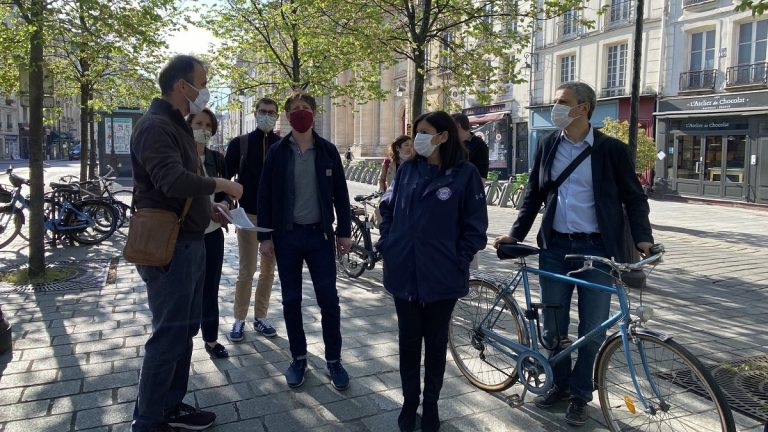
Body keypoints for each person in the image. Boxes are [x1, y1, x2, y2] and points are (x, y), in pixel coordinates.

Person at [494, 81, 653, 427]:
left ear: (584, 107)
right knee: (553, 327)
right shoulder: (549, 143)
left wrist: (643, 239)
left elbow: (634, 198)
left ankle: (581, 394)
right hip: (556, 247)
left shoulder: (611, 149)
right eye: (556, 102)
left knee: (593, 330)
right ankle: (560, 384)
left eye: (562, 102)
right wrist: (515, 234)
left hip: (597, 250)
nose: (556, 108)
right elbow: (533, 194)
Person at [130, 55, 242, 432]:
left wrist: (208, 211)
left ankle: (169, 406)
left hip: (189, 241)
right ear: (182, 85)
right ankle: (148, 421)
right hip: (171, 246)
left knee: (183, 331)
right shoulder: (156, 125)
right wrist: (221, 185)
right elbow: (171, 181)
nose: (205, 89)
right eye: (202, 81)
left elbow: (181, 189)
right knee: (169, 334)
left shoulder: (173, 124)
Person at [377, 111, 488, 432]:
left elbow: (475, 227)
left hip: (443, 276)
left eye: (424, 132)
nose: (417, 139)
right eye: (415, 132)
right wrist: (389, 242)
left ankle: (432, 404)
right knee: (409, 343)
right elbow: (388, 208)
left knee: (436, 344)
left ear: (442, 136)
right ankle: (410, 403)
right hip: (403, 271)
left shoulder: (464, 175)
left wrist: (459, 260)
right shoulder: (408, 169)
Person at [257, 92, 352, 391]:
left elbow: (341, 194)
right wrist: (265, 236)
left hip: (320, 236)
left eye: (306, 108)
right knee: (291, 300)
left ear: (314, 112)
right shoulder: (277, 152)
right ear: (287, 116)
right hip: (287, 237)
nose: (301, 113)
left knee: (329, 301)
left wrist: (345, 232)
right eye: (295, 109)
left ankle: (334, 360)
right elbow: (265, 195)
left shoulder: (327, 150)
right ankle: (298, 358)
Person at [224, 98, 281, 341]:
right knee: (247, 270)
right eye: (262, 112)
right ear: (255, 113)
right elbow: (225, 177)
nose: (266, 116)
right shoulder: (240, 143)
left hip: (275, 218)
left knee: (269, 271)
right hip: (247, 215)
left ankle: (261, 316)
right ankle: (239, 319)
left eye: (271, 112)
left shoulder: (282, 145)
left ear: (277, 116)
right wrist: (226, 202)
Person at [187, 108, 230, 359]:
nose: (203, 128)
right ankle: (183, 337)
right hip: (186, 235)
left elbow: (224, 191)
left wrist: (224, 204)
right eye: (198, 123)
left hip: (213, 233)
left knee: (210, 287)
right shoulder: (180, 157)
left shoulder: (216, 158)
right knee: (186, 289)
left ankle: (211, 339)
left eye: (207, 125)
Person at [452, 112, 489, 179]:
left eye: (450, 127)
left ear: (458, 126)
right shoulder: (452, 144)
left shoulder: (479, 144)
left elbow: (482, 176)